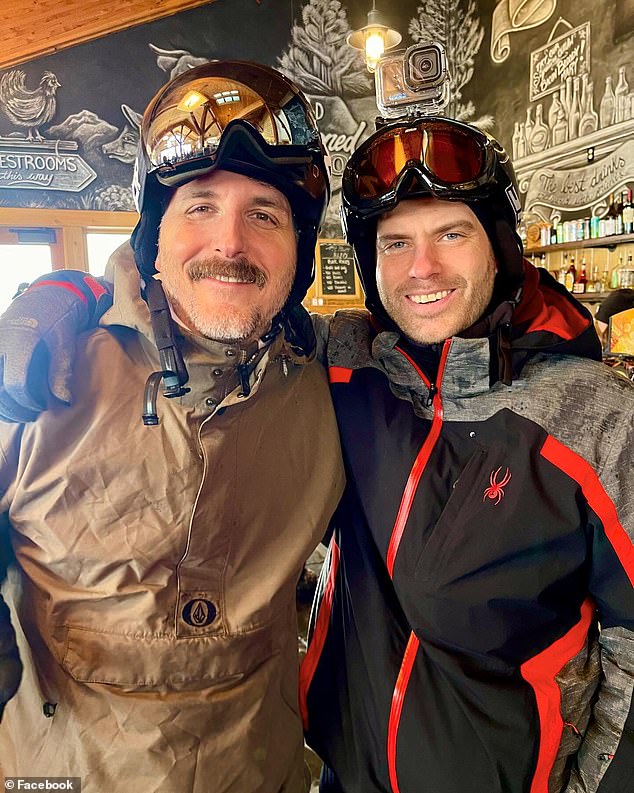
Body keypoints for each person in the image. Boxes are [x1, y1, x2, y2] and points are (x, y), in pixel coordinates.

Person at [0, 115, 633, 792]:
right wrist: (73, 292)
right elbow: (219, 306)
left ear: (500, 246)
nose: (422, 268)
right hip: (340, 774)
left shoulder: (594, 415)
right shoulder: (343, 367)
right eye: (394, 243)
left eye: (452, 233)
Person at [0, 60, 344, 792]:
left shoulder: (330, 386)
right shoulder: (40, 376)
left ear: (301, 249)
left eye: (265, 214)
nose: (229, 243)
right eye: (199, 208)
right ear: (154, 237)